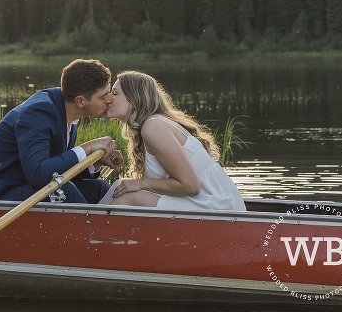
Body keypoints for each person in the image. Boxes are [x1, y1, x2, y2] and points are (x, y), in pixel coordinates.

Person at [0, 59, 123, 204]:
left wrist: (96, 163)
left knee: (99, 188)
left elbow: (54, 170)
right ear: (80, 101)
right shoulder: (38, 113)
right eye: (103, 97)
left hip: (22, 186)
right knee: (64, 192)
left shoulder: (68, 110)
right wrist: (87, 147)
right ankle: (94, 236)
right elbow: (38, 175)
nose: (109, 99)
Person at [100, 70, 245, 211]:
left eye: (115, 93)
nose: (108, 99)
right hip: (213, 201)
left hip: (220, 207)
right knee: (121, 185)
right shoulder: (154, 124)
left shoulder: (153, 127)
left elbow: (190, 186)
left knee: (127, 198)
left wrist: (141, 183)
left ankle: (88, 231)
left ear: (134, 98)